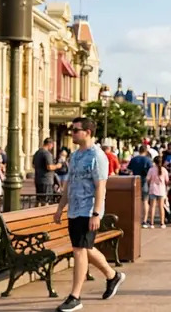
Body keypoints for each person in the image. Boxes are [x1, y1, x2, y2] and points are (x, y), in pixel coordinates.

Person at [54, 117, 125, 312]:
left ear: (87, 132)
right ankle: (112, 275)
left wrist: (96, 213)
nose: (72, 133)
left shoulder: (98, 156)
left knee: (79, 250)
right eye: (72, 130)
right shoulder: (75, 155)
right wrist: (61, 207)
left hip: (88, 210)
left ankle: (75, 296)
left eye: (76, 130)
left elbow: (101, 186)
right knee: (85, 248)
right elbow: (69, 183)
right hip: (74, 209)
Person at [32, 138, 61, 206]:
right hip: (46, 180)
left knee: (38, 199)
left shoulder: (37, 153)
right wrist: (57, 166)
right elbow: (49, 167)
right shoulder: (47, 154)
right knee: (46, 201)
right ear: (49, 144)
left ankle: (35, 214)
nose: (52, 147)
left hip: (38, 179)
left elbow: (33, 165)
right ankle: (44, 215)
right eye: (52, 145)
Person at [146, 155, 169, 228]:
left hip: (153, 189)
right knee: (161, 207)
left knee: (152, 206)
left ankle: (151, 223)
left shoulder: (151, 169)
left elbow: (148, 179)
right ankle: (162, 223)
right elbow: (167, 180)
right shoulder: (164, 170)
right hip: (161, 189)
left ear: (154, 162)